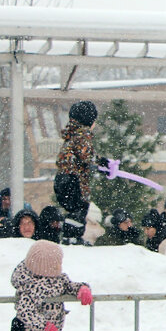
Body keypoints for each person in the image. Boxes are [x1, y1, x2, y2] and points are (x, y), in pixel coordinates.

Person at [53, 100, 100, 241]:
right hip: (74, 180)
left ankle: (69, 235)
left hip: (62, 178)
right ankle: (73, 237)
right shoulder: (83, 134)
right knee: (80, 209)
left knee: (72, 209)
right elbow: (86, 155)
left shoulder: (71, 134)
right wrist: (100, 162)